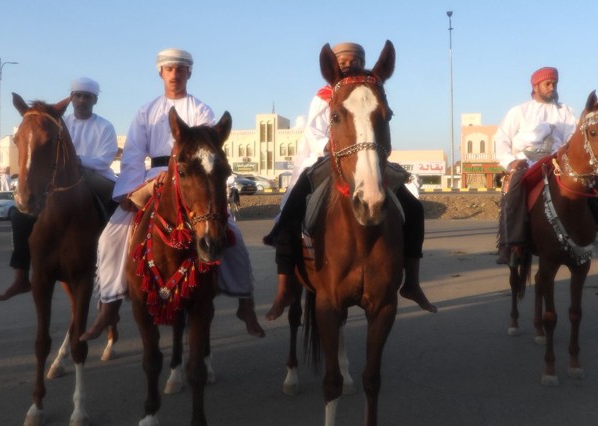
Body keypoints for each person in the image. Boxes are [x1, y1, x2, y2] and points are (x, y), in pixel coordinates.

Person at [81, 48, 265, 340]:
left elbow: (206, 151)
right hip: (152, 179)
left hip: (190, 177)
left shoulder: (201, 109)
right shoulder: (146, 111)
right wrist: (131, 189)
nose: (175, 74)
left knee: (232, 233)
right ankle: (109, 302)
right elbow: (133, 154)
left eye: (180, 69)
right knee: (111, 234)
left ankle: (245, 301)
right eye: (169, 69)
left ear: (188, 73)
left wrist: (181, 171)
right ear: (161, 73)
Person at [264, 42, 437, 321]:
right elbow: (313, 131)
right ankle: (285, 288)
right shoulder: (324, 96)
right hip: (327, 157)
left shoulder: (370, 92)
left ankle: (412, 283)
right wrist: (334, 148)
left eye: (356, 59)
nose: (349, 64)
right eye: (343, 60)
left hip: (367, 155)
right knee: (290, 212)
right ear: (335, 64)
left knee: (413, 208)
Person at [494, 67, 598, 265]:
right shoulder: (519, 111)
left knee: (596, 182)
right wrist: (510, 161)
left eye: (554, 84)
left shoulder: (565, 111)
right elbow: (502, 139)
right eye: (547, 84)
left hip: (557, 160)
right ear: (536, 86)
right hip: (527, 160)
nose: (552, 87)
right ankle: (510, 243)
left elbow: (572, 137)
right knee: (514, 187)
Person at [0, 77, 118, 302]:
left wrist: (75, 161)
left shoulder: (104, 126)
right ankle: (21, 275)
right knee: (20, 215)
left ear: (95, 100)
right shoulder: (58, 121)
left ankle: (115, 259)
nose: (82, 100)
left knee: (118, 205)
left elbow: (104, 160)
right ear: (72, 99)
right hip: (59, 178)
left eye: (87, 97)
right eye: (78, 96)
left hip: (95, 176)